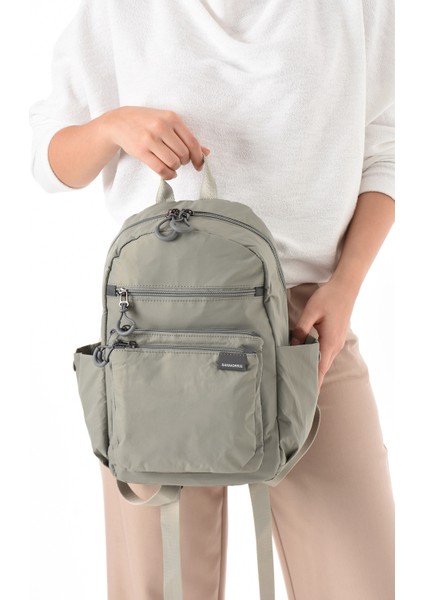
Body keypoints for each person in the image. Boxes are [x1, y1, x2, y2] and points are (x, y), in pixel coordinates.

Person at [29, 1, 395, 599]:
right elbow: (50, 160)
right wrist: (111, 126)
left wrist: (347, 286)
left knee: (359, 581)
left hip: (307, 325)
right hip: (156, 329)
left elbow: (382, 153)